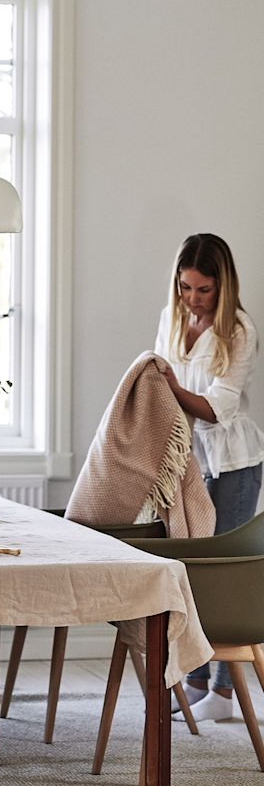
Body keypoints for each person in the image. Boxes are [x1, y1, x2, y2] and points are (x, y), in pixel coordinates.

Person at [156, 233, 264, 722]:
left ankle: (224, 693)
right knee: (191, 568)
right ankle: (197, 680)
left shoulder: (239, 330)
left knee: (224, 571)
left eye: (204, 290)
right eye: (185, 287)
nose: (193, 299)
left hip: (233, 463)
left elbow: (217, 409)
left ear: (223, 285)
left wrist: (168, 385)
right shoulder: (172, 319)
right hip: (188, 461)